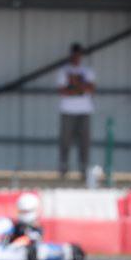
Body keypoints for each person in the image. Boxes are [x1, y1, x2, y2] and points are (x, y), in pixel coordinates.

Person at [55, 43, 96, 180]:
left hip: (84, 111)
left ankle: (84, 170)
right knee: (65, 141)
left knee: (84, 141)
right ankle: (63, 169)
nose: (77, 57)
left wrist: (73, 87)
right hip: (67, 110)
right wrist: (80, 88)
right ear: (71, 54)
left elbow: (91, 89)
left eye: (79, 54)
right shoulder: (63, 71)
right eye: (75, 54)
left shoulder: (87, 71)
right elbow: (62, 91)